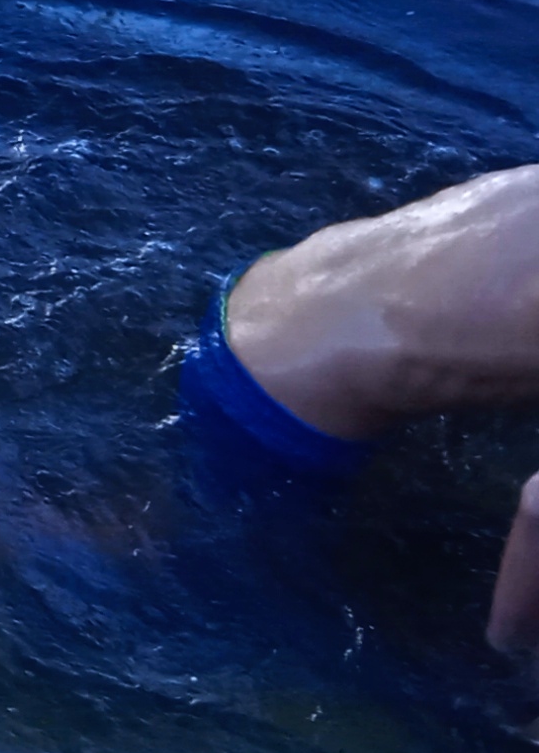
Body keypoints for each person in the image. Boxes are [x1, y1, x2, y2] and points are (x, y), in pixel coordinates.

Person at [196, 164, 539, 648]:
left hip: (272, 287)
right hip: (279, 400)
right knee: (217, 584)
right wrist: (516, 657)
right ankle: (58, 535)